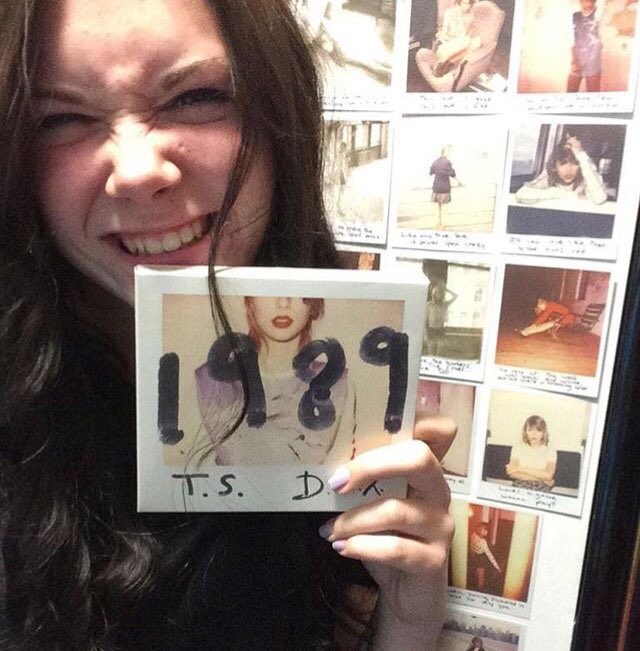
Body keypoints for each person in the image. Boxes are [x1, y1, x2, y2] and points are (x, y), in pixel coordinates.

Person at [0, 1, 456, 649]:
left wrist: (408, 618)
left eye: (194, 97)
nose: (138, 172)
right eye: (62, 117)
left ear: (277, 117)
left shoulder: (342, 377)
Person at [195, 296, 356, 465]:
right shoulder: (208, 381)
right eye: (268, 290)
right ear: (250, 301)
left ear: (314, 304)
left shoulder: (339, 383)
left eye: (297, 291)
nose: (283, 302)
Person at [514, 135, 608, 206]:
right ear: (555, 166)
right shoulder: (549, 178)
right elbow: (521, 194)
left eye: (575, 163)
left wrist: (581, 154)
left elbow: (600, 198)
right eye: (563, 163)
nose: (569, 169)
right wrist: (561, 194)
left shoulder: (585, 181)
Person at [506, 415, 557, 492]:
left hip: (541, 487)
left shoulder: (550, 451)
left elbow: (548, 475)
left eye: (538, 430)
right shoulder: (518, 447)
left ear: (543, 432)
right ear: (525, 432)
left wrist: (519, 468)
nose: (534, 434)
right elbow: (511, 473)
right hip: (520, 484)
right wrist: (542, 478)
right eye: (530, 430)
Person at [433, 0, 481, 77]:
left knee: (477, 42)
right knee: (466, 40)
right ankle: (442, 61)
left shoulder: (470, 16)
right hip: (445, 46)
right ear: (459, 2)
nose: (467, 6)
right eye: (464, 3)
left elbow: (465, 35)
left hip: (458, 50)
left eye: (469, 4)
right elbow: (444, 35)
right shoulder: (450, 13)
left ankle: (448, 62)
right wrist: (456, 41)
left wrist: (467, 25)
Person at [567, 0, 602, 93]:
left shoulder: (599, 14)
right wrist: (575, 61)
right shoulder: (575, 16)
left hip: (593, 62)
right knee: (570, 92)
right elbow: (571, 40)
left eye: (592, 1)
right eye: (586, 1)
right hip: (577, 60)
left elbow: (599, 42)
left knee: (593, 93)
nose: (589, 3)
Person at [429, 146, 459, 229]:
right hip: (444, 189)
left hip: (436, 188)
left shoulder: (435, 161)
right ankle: (443, 226)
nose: (450, 153)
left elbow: (431, 172)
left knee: (437, 208)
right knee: (444, 209)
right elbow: (453, 174)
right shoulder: (447, 162)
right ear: (445, 153)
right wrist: (459, 181)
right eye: (448, 152)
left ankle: (436, 225)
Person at [425, 281, 458, 356]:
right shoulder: (429, 305)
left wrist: (446, 289)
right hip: (431, 330)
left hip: (440, 330)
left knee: (439, 354)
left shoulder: (445, 304)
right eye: (438, 293)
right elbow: (425, 320)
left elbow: (455, 296)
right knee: (431, 354)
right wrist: (426, 334)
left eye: (441, 293)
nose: (439, 295)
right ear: (434, 294)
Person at [468, 522, 501, 592]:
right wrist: (497, 567)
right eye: (485, 530)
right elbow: (490, 556)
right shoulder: (483, 542)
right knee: (481, 577)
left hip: (475, 557)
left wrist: (472, 555)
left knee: (477, 573)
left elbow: (471, 547)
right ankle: (480, 590)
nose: (487, 532)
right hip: (481, 559)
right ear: (481, 530)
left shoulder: (473, 535)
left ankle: (477, 586)